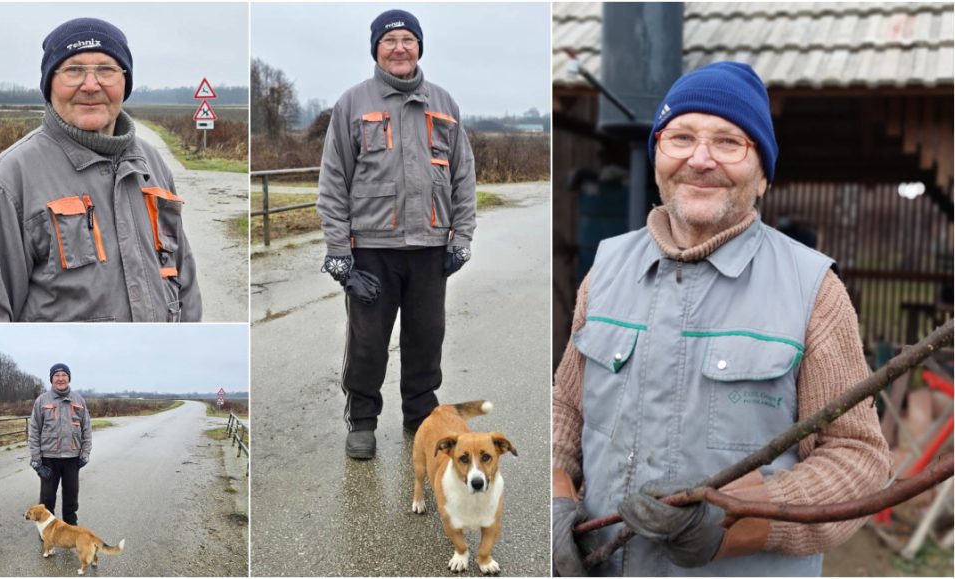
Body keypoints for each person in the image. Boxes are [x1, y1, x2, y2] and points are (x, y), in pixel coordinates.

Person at [551, 62, 890, 576]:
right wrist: (553, 500)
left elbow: (858, 460)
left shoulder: (812, 290)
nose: (700, 159)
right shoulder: (605, 270)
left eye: (730, 142)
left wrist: (736, 519)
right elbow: (567, 410)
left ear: (762, 177)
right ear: (659, 154)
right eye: (681, 137)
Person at [0, 17, 201, 322]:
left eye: (106, 70)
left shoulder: (152, 164)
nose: (91, 85)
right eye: (73, 70)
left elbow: (184, 280)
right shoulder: (9, 180)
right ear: (49, 84)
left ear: (125, 81)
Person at [315, 9, 477, 459]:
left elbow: (464, 177)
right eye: (390, 41)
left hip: (430, 249)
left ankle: (420, 417)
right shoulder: (352, 103)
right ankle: (363, 421)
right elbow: (333, 181)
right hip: (371, 251)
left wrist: (461, 238)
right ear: (376, 50)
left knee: (427, 339)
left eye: (408, 39)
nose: (400, 47)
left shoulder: (444, 104)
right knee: (367, 344)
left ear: (420, 46)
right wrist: (338, 256)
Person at [29, 363, 91, 527]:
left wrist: (85, 453)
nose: (61, 378)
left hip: (72, 457)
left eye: (64, 375)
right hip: (49, 458)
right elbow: (34, 430)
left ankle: (70, 525)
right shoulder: (42, 400)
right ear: (51, 379)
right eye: (57, 375)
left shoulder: (79, 400)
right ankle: (46, 528)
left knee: (71, 495)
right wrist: (36, 459)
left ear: (69, 378)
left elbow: (87, 429)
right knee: (47, 497)